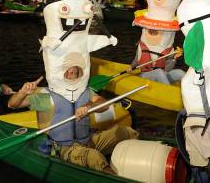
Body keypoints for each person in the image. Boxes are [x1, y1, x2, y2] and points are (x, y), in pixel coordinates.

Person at [7, 67, 138, 174]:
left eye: (75, 72)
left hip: (87, 140)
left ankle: (140, 160)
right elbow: (12, 104)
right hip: (64, 148)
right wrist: (22, 92)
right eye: (68, 72)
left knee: (125, 132)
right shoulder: (46, 96)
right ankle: (114, 177)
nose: (72, 75)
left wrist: (88, 106)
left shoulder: (85, 91)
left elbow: (104, 105)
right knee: (93, 157)